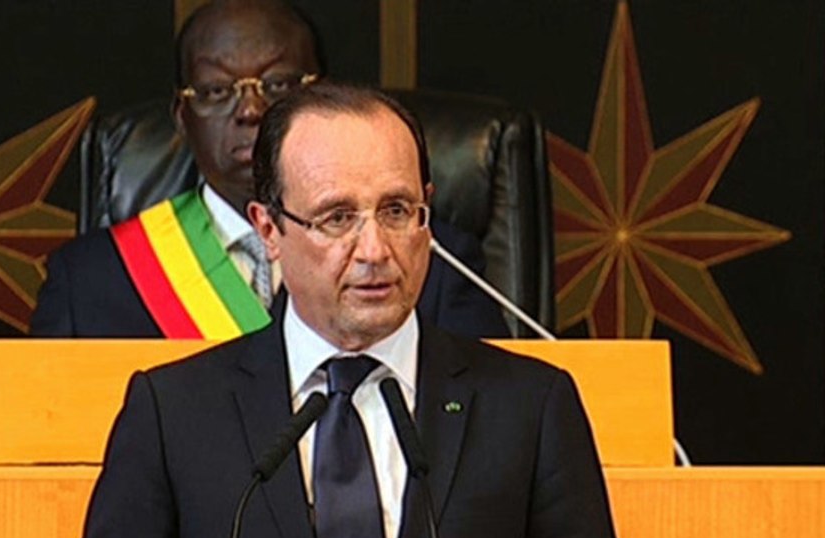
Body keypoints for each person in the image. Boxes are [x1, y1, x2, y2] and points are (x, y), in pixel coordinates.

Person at [45, 83, 642, 538]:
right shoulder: (173, 411)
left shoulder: (530, 405)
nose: (375, 251)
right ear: (269, 229)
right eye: (336, 218)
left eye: (397, 211)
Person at [29, 0, 508, 340]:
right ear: (181, 116)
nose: (251, 109)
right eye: (218, 90)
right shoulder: (90, 282)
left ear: (325, 96)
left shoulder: (434, 265)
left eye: (278, 83)